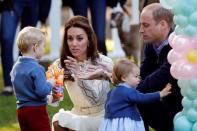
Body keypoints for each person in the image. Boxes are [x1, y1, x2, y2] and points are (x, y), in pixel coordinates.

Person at [52, 16, 113, 131]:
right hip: (77, 113)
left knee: (76, 124)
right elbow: (54, 101)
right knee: (58, 120)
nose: (74, 44)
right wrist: (55, 85)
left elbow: (96, 100)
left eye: (79, 39)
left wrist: (79, 75)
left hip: (101, 115)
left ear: (89, 40)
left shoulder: (104, 62)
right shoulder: (60, 64)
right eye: (70, 38)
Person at [137, 3, 182, 131]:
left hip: (182, 110)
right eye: (141, 24)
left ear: (163, 25)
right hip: (164, 100)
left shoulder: (178, 44)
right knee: (131, 99)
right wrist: (129, 84)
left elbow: (164, 75)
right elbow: (145, 69)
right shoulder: (152, 44)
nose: (141, 30)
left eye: (146, 25)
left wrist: (136, 89)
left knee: (135, 97)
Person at [99, 58, 171, 131]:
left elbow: (107, 106)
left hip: (112, 123)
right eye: (136, 76)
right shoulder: (128, 91)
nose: (139, 79)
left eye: (139, 76)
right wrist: (160, 94)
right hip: (126, 123)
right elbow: (143, 98)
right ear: (124, 78)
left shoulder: (112, 91)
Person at [10, 26, 54, 131]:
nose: (44, 49)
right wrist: (50, 83)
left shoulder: (16, 67)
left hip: (21, 110)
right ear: (35, 47)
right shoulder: (37, 68)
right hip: (36, 110)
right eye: (43, 46)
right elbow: (42, 91)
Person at [0, 0, 39, 96]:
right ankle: (8, 85)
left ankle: (22, 82)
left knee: (28, 42)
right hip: (10, 2)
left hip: (33, 3)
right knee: (6, 38)